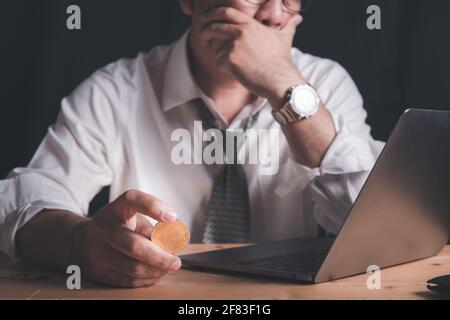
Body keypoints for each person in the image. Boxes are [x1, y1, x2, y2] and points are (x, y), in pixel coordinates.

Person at [0, 0, 383, 287]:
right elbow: (23, 203)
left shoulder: (326, 84)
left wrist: (286, 87)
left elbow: (374, 230)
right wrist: (80, 244)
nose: (273, 14)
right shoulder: (116, 91)